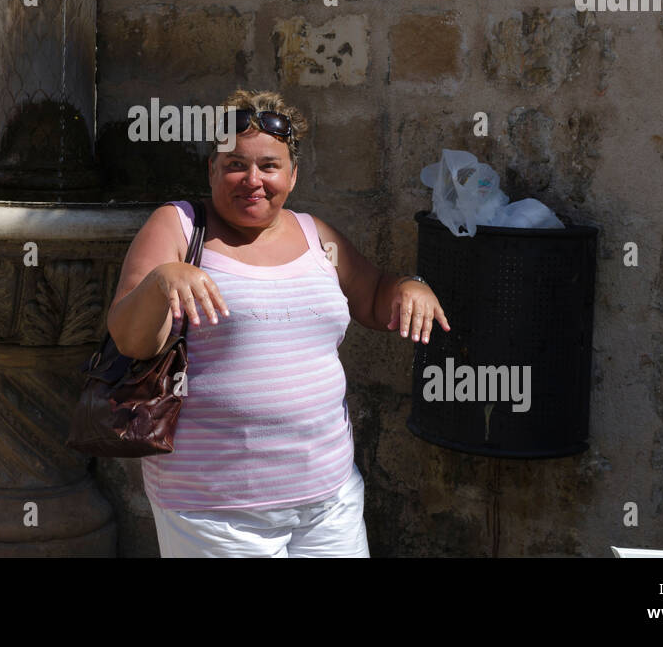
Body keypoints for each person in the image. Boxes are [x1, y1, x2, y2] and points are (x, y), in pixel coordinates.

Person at [107, 89, 451, 558]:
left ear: (292, 175)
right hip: (214, 510)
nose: (253, 180)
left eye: (269, 166)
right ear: (212, 170)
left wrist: (411, 285)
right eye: (235, 165)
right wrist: (160, 281)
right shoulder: (179, 225)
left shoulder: (315, 233)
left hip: (329, 500)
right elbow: (130, 340)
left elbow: (373, 297)